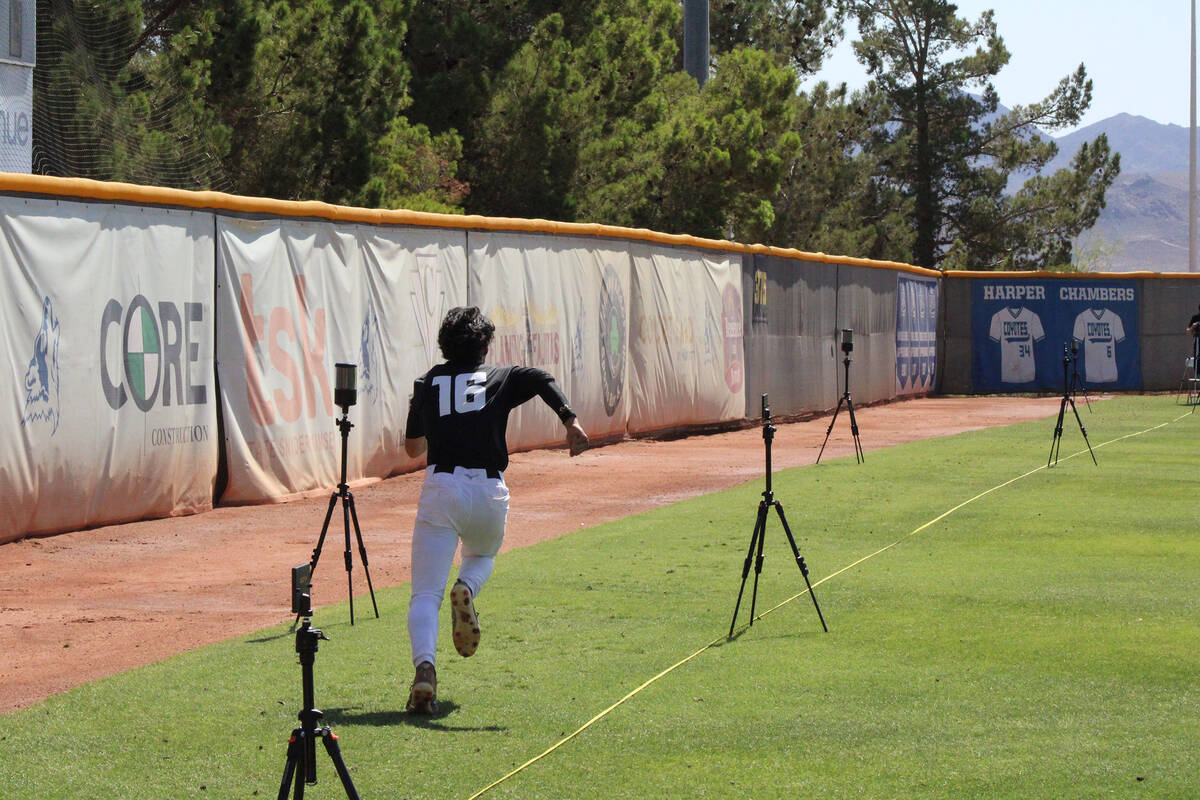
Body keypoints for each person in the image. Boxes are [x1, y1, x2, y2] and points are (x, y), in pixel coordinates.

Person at [402, 306, 589, 714]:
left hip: (442, 487)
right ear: (485, 345)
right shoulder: (500, 376)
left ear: (443, 344)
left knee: (426, 594)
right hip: (488, 489)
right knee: (482, 556)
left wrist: (427, 415)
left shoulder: (426, 382)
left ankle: (425, 669)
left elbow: (413, 448)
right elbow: (542, 379)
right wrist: (569, 420)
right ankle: (467, 587)